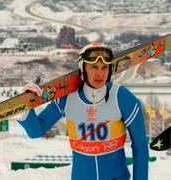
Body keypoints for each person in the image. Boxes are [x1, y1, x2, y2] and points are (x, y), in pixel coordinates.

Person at [17, 43, 149, 180]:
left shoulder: (122, 97)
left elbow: (140, 145)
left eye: (105, 67)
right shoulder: (67, 98)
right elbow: (36, 130)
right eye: (93, 67)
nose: (100, 73)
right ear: (82, 69)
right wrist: (26, 103)